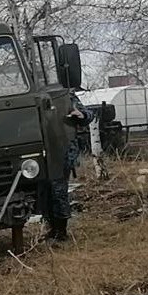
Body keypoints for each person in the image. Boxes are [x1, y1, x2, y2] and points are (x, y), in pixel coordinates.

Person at [43, 92, 93, 242]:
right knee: (45, 192)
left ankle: (61, 231)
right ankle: (52, 228)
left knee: (58, 190)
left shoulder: (65, 97)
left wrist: (81, 115)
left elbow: (87, 115)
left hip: (62, 150)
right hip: (42, 151)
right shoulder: (34, 96)